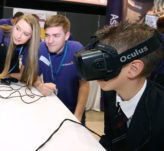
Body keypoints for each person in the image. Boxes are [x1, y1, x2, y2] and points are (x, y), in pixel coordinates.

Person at [77, 22, 164, 150]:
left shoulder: (159, 114)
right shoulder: (110, 92)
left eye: (103, 63)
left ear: (134, 69)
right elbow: (110, 138)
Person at [34, 14, 89, 123]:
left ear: (67, 35)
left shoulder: (77, 49)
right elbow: (35, 75)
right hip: (50, 105)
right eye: (47, 35)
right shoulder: (41, 48)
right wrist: (40, 85)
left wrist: (77, 116)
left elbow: (84, 85)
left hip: (73, 110)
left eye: (56, 35)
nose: (50, 41)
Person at [0, 14, 41, 88]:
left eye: (25, 34)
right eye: (17, 29)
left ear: (31, 37)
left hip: (13, 83)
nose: (18, 36)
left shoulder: (30, 46)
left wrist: (4, 76)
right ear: (14, 24)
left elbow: (23, 75)